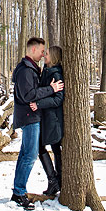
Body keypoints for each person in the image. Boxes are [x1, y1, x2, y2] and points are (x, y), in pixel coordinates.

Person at [11, 37, 63, 209]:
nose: (43, 54)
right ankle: (19, 193)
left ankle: (18, 191)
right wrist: (51, 89)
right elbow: (28, 95)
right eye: (42, 51)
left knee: (26, 154)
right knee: (30, 155)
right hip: (30, 117)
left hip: (31, 116)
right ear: (33, 49)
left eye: (45, 53)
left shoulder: (31, 68)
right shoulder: (26, 70)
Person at [34, 45, 64, 197]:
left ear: (54, 57)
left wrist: (39, 103)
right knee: (48, 148)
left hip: (53, 119)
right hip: (46, 118)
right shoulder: (47, 72)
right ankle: (55, 180)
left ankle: (55, 180)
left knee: (52, 148)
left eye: (47, 54)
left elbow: (58, 99)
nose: (44, 56)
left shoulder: (56, 74)